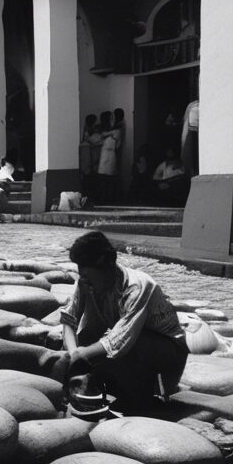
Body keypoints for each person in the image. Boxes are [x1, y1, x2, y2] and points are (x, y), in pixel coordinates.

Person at [61, 230, 187, 415]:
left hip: (165, 352)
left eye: (88, 274)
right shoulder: (86, 282)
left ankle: (143, 399)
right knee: (83, 341)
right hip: (128, 347)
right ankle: (108, 386)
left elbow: (120, 340)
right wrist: (73, 353)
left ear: (108, 267)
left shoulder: (137, 286)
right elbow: (69, 319)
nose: (83, 279)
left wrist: (82, 356)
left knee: (132, 345)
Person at [96, 110, 119, 204]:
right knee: (103, 179)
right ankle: (103, 199)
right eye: (110, 118)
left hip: (111, 155)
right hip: (104, 155)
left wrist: (105, 134)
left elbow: (114, 134)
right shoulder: (102, 131)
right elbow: (96, 140)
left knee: (110, 179)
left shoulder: (116, 130)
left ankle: (109, 200)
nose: (112, 120)